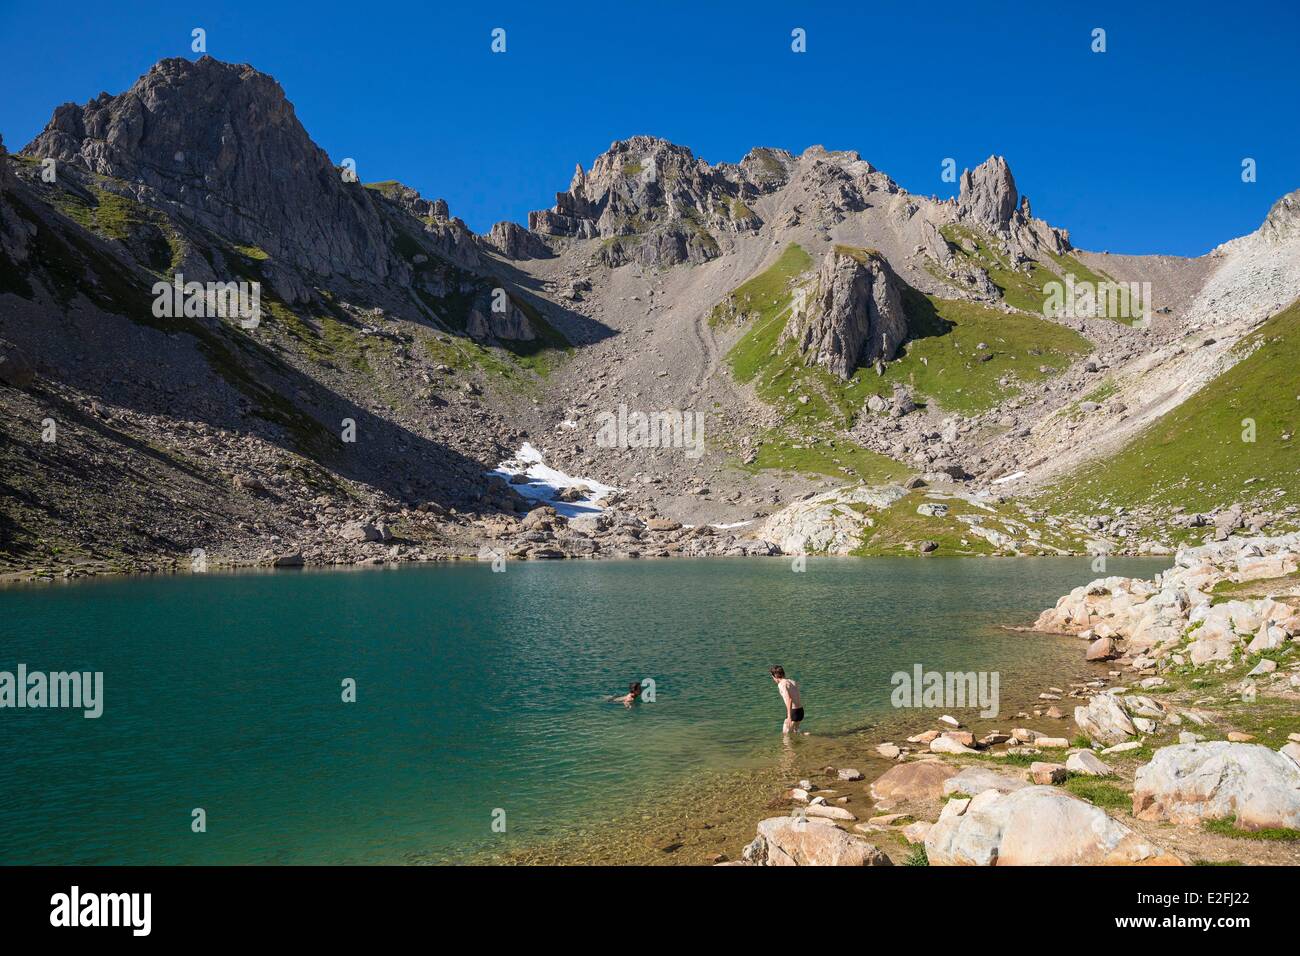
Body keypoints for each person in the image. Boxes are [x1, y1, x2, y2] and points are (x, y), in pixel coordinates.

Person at [769, 665, 804, 733]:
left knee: (785, 735)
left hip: (793, 712)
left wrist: (789, 717)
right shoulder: (792, 681)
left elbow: (789, 699)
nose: (773, 679)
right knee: (796, 731)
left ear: (775, 676)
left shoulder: (782, 684)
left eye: (772, 677)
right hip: (800, 711)